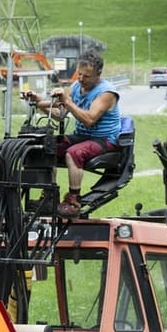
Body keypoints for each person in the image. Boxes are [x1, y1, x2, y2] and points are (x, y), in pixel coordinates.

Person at [22, 50, 120, 217]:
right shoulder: (76, 87)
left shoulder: (107, 93)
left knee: (73, 153)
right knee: (49, 147)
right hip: (82, 136)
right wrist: (38, 103)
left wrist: (67, 101)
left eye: (86, 76)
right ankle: (49, 195)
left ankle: (73, 200)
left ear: (98, 75)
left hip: (104, 140)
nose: (81, 79)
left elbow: (89, 119)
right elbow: (60, 115)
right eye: (79, 74)